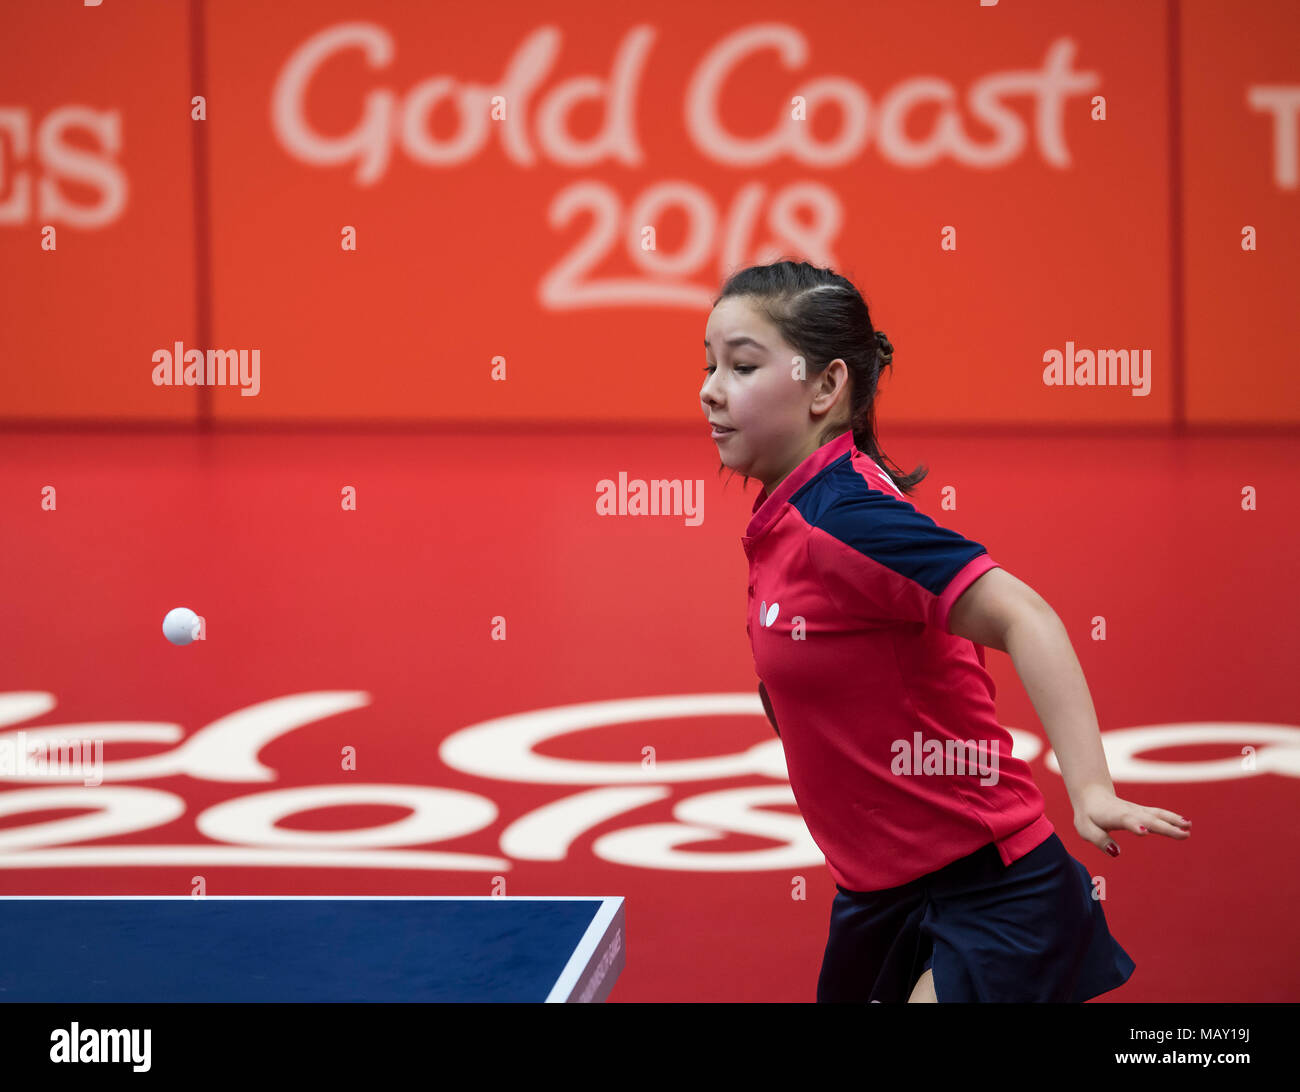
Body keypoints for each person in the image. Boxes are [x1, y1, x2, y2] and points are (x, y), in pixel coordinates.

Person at [700, 259, 1192, 1003]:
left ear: (827, 388)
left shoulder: (849, 521)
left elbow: (1026, 616)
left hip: (990, 889)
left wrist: (1089, 787)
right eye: (708, 365)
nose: (710, 388)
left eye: (741, 366)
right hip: (876, 894)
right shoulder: (792, 511)